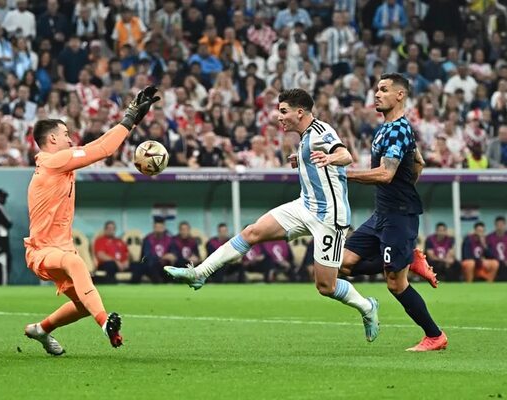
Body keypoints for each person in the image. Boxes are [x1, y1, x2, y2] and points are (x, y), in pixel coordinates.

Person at [165, 88, 380, 342]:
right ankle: (200, 273)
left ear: (300, 112)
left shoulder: (322, 131)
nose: (278, 117)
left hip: (329, 217)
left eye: (283, 111)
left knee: (326, 286)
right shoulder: (304, 137)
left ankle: (367, 307)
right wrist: (300, 160)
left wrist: (332, 157)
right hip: (304, 206)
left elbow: (346, 155)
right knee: (252, 232)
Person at [22, 86, 160, 355]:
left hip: (61, 249)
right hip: (41, 251)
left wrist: (131, 120)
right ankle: (106, 323)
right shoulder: (54, 161)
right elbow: (102, 149)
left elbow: (97, 147)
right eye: (65, 135)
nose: (71, 140)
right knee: (76, 264)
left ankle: (41, 329)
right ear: (51, 139)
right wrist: (130, 118)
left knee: (83, 304)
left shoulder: (56, 165)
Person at [340, 73, 448, 352]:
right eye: (376, 89)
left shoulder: (400, 128)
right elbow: (419, 162)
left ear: (400, 95)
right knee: (343, 264)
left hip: (399, 215)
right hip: (382, 214)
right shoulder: (385, 129)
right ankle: (406, 258)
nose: (377, 94)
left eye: (384, 90)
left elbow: (386, 174)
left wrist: (344, 175)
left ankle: (435, 336)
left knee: (395, 284)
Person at [486, 216, 507, 280]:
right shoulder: (489, 238)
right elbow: (487, 252)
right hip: (495, 261)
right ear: (495, 225)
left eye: (502, 225)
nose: (500, 227)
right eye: (498, 225)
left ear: (505, 225)